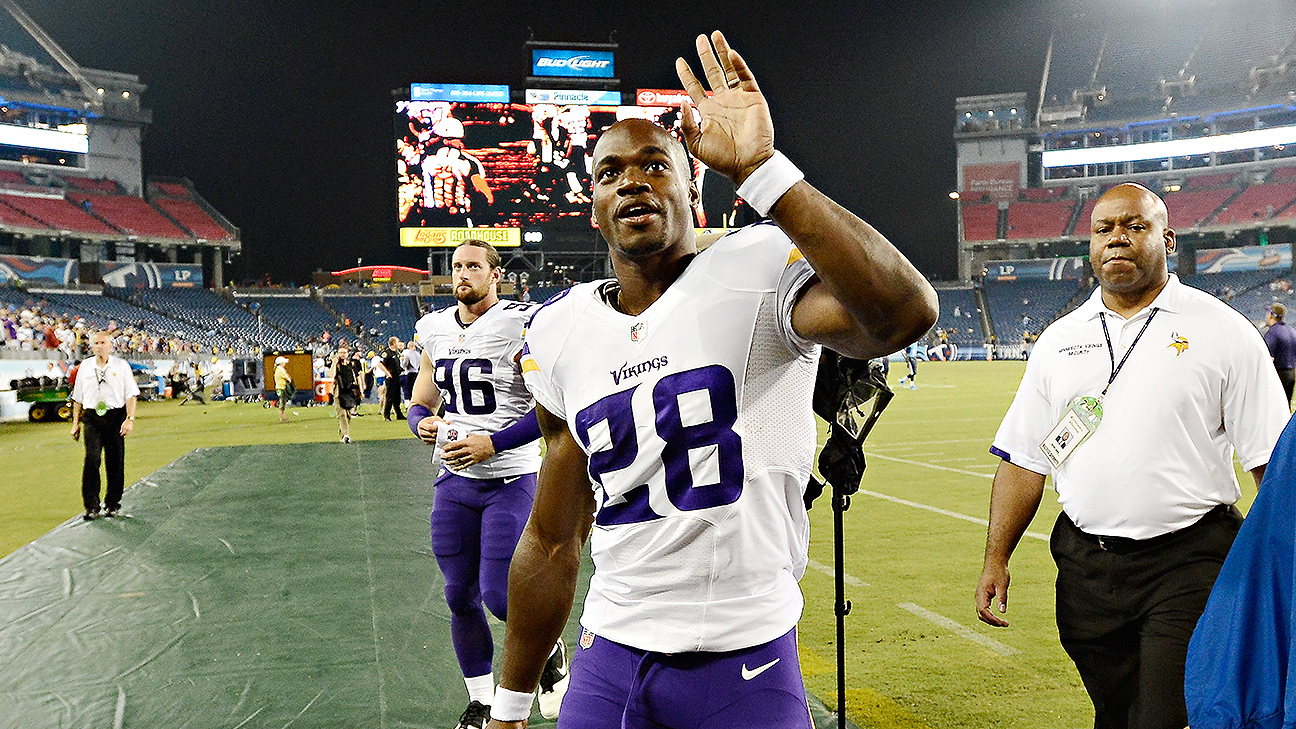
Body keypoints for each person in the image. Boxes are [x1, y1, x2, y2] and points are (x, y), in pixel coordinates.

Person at [485, 31, 937, 729]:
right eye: (610, 174)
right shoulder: (558, 331)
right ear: (593, 206)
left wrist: (764, 171)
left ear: (694, 187)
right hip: (612, 655)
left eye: (655, 165)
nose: (631, 180)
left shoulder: (757, 267)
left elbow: (903, 313)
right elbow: (551, 538)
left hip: (747, 659)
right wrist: (510, 706)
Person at [974, 182, 1289, 729]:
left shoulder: (1225, 331)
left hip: (1189, 560)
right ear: (1090, 245)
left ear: (1167, 237)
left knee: (1163, 715)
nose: (1117, 238)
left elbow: (1270, 461)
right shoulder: (1056, 340)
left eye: (1134, 226)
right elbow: (1024, 460)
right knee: (1114, 711)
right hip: (1085, 566)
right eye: (1103, 229)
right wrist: (995, 558)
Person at [408, 239, 568, 729]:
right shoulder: (433, 328)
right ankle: (481, 701)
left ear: (494, 274)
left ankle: (550, 650)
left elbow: (549, 409)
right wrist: (421, 423)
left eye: (474, 266)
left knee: (501, 597)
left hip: (510, 478)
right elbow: (421, 398)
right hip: (454, 479)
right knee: (459, 595)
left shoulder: (522, 323)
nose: (463, 274)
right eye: (456, 266)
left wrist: (494, 443)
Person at [69, 330, 140, 520]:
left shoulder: (121, 366)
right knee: (92, 459)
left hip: (115, 416)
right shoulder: (84, 366)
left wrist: (129, 419)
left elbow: (131, 394)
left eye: (103, 343)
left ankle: (112, 503)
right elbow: (78, 397)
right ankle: (91, 506)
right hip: (92, 417)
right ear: (91, 346)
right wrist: (75, 423)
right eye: (96, 343)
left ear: (110, 346)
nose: (99, 346)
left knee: (115, 460)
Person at [1264, 302, 1296, 408]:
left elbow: (1268, 357)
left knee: (1274, 408)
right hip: (1291, 374)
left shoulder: (1273, 332)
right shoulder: (1292, 331)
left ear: (1271, 315)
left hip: (1278, 375)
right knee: (1286, 408)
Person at [332, 344, 360, 443]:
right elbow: (332, 375)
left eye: (344, 352)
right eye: (340, 353)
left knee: (348, 414)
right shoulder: (337, 364)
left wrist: (360, 388)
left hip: (349, 392)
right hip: (339, 392)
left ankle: (342, 433)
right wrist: (334, 364)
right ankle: (346, 435)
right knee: (342, 414)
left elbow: (357, 376)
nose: (342, 354)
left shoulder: (351, 365)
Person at [381, 337, 405, 421]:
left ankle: (398, 414)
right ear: (393, 343)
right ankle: (387, 415)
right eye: (397, 342)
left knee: (397, 396)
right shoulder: (387, 353)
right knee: (390, 396)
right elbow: (381, 364)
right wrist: (387, 373)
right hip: (391, 377)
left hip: (397, 376)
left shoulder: (396, 353)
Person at [273, 355, 293, 424]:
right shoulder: (280, 370)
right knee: (282, 402)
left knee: (283, 402)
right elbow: (288, 378)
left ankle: (283, 417)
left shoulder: (278, 370)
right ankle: (282, 418)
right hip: (281, 388)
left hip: (280, 388)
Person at [401, 338, 421, 402]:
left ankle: (410, 402)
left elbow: (405, 364)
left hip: (410, 373)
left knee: (410, 389)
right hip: (417, 373)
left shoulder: (408, 354)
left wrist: (402, 361)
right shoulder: (418, 354)